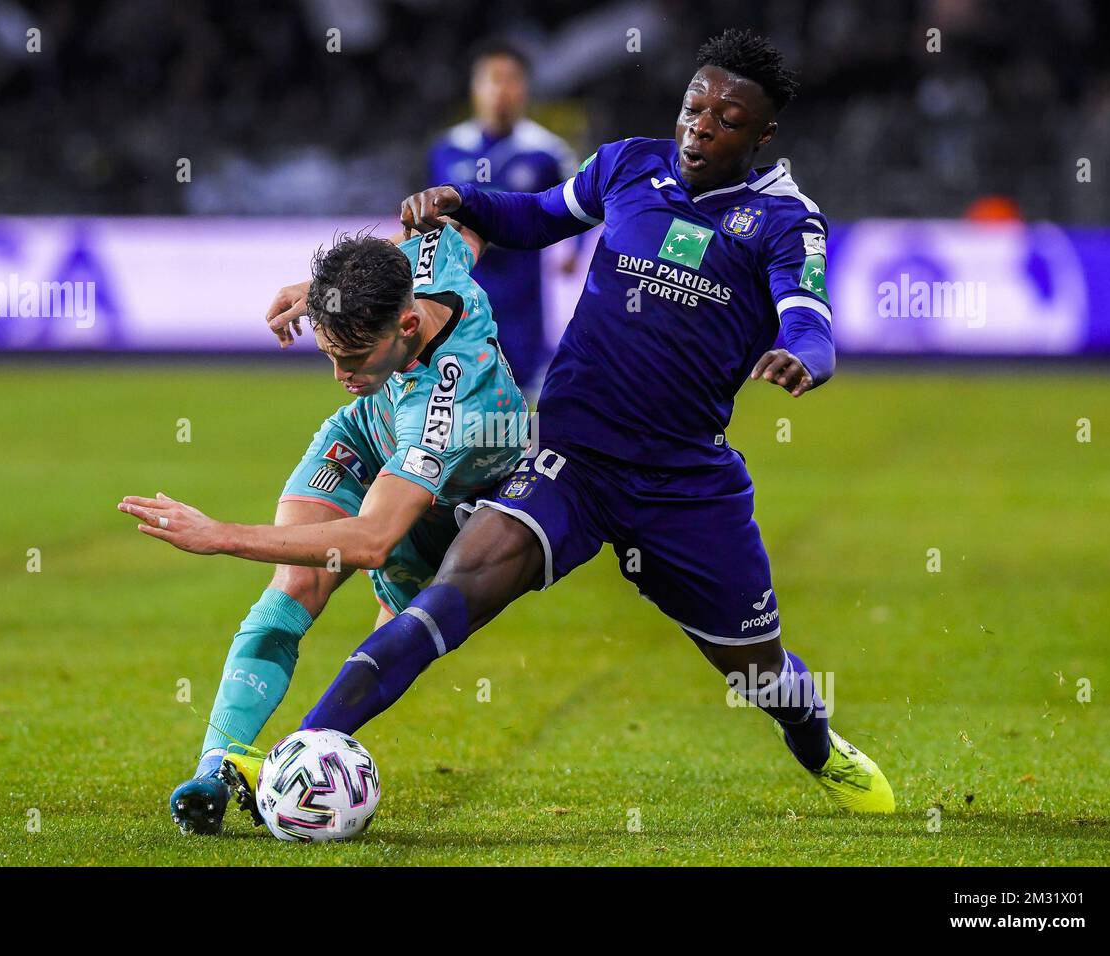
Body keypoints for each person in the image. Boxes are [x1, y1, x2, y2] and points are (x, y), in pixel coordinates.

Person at [268, 29, 894, 815]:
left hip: (682, 483)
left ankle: (819, 747)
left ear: (763, 135)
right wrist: (465, 202)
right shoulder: (630, 164)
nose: (701, 127)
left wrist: (804, 356)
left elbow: (809, 316)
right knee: (454, 591)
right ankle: (297, 762)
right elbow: (534, 217)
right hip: (570, 454)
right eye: (694, 107)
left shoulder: (782, 220)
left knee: (757, 674)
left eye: (728, 120)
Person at [118, 222, 528, 834]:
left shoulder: (449, 405)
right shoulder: (428, 269)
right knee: (296, 586)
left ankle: (293, 761)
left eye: (354, 358)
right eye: (329, 354)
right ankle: (215, 767)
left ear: (407, 328)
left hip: (454, 498)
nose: (340, 373)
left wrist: (221, 535)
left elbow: (370, 541)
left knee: (395, 643)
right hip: (369, 435)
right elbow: (456, 233)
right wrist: (320, 291)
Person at [426, 39, 583, 394]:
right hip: (462, 287)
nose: (502, 90)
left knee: (524, 390)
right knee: (461, 391)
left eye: (511, 79)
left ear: (525, 88)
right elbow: (427, 210)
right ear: (475, 88)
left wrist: (573, 250)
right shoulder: (447, 149)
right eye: (492, 79)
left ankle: (524, 449)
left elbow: (583, 202)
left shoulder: (548, 152)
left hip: (521, 292)